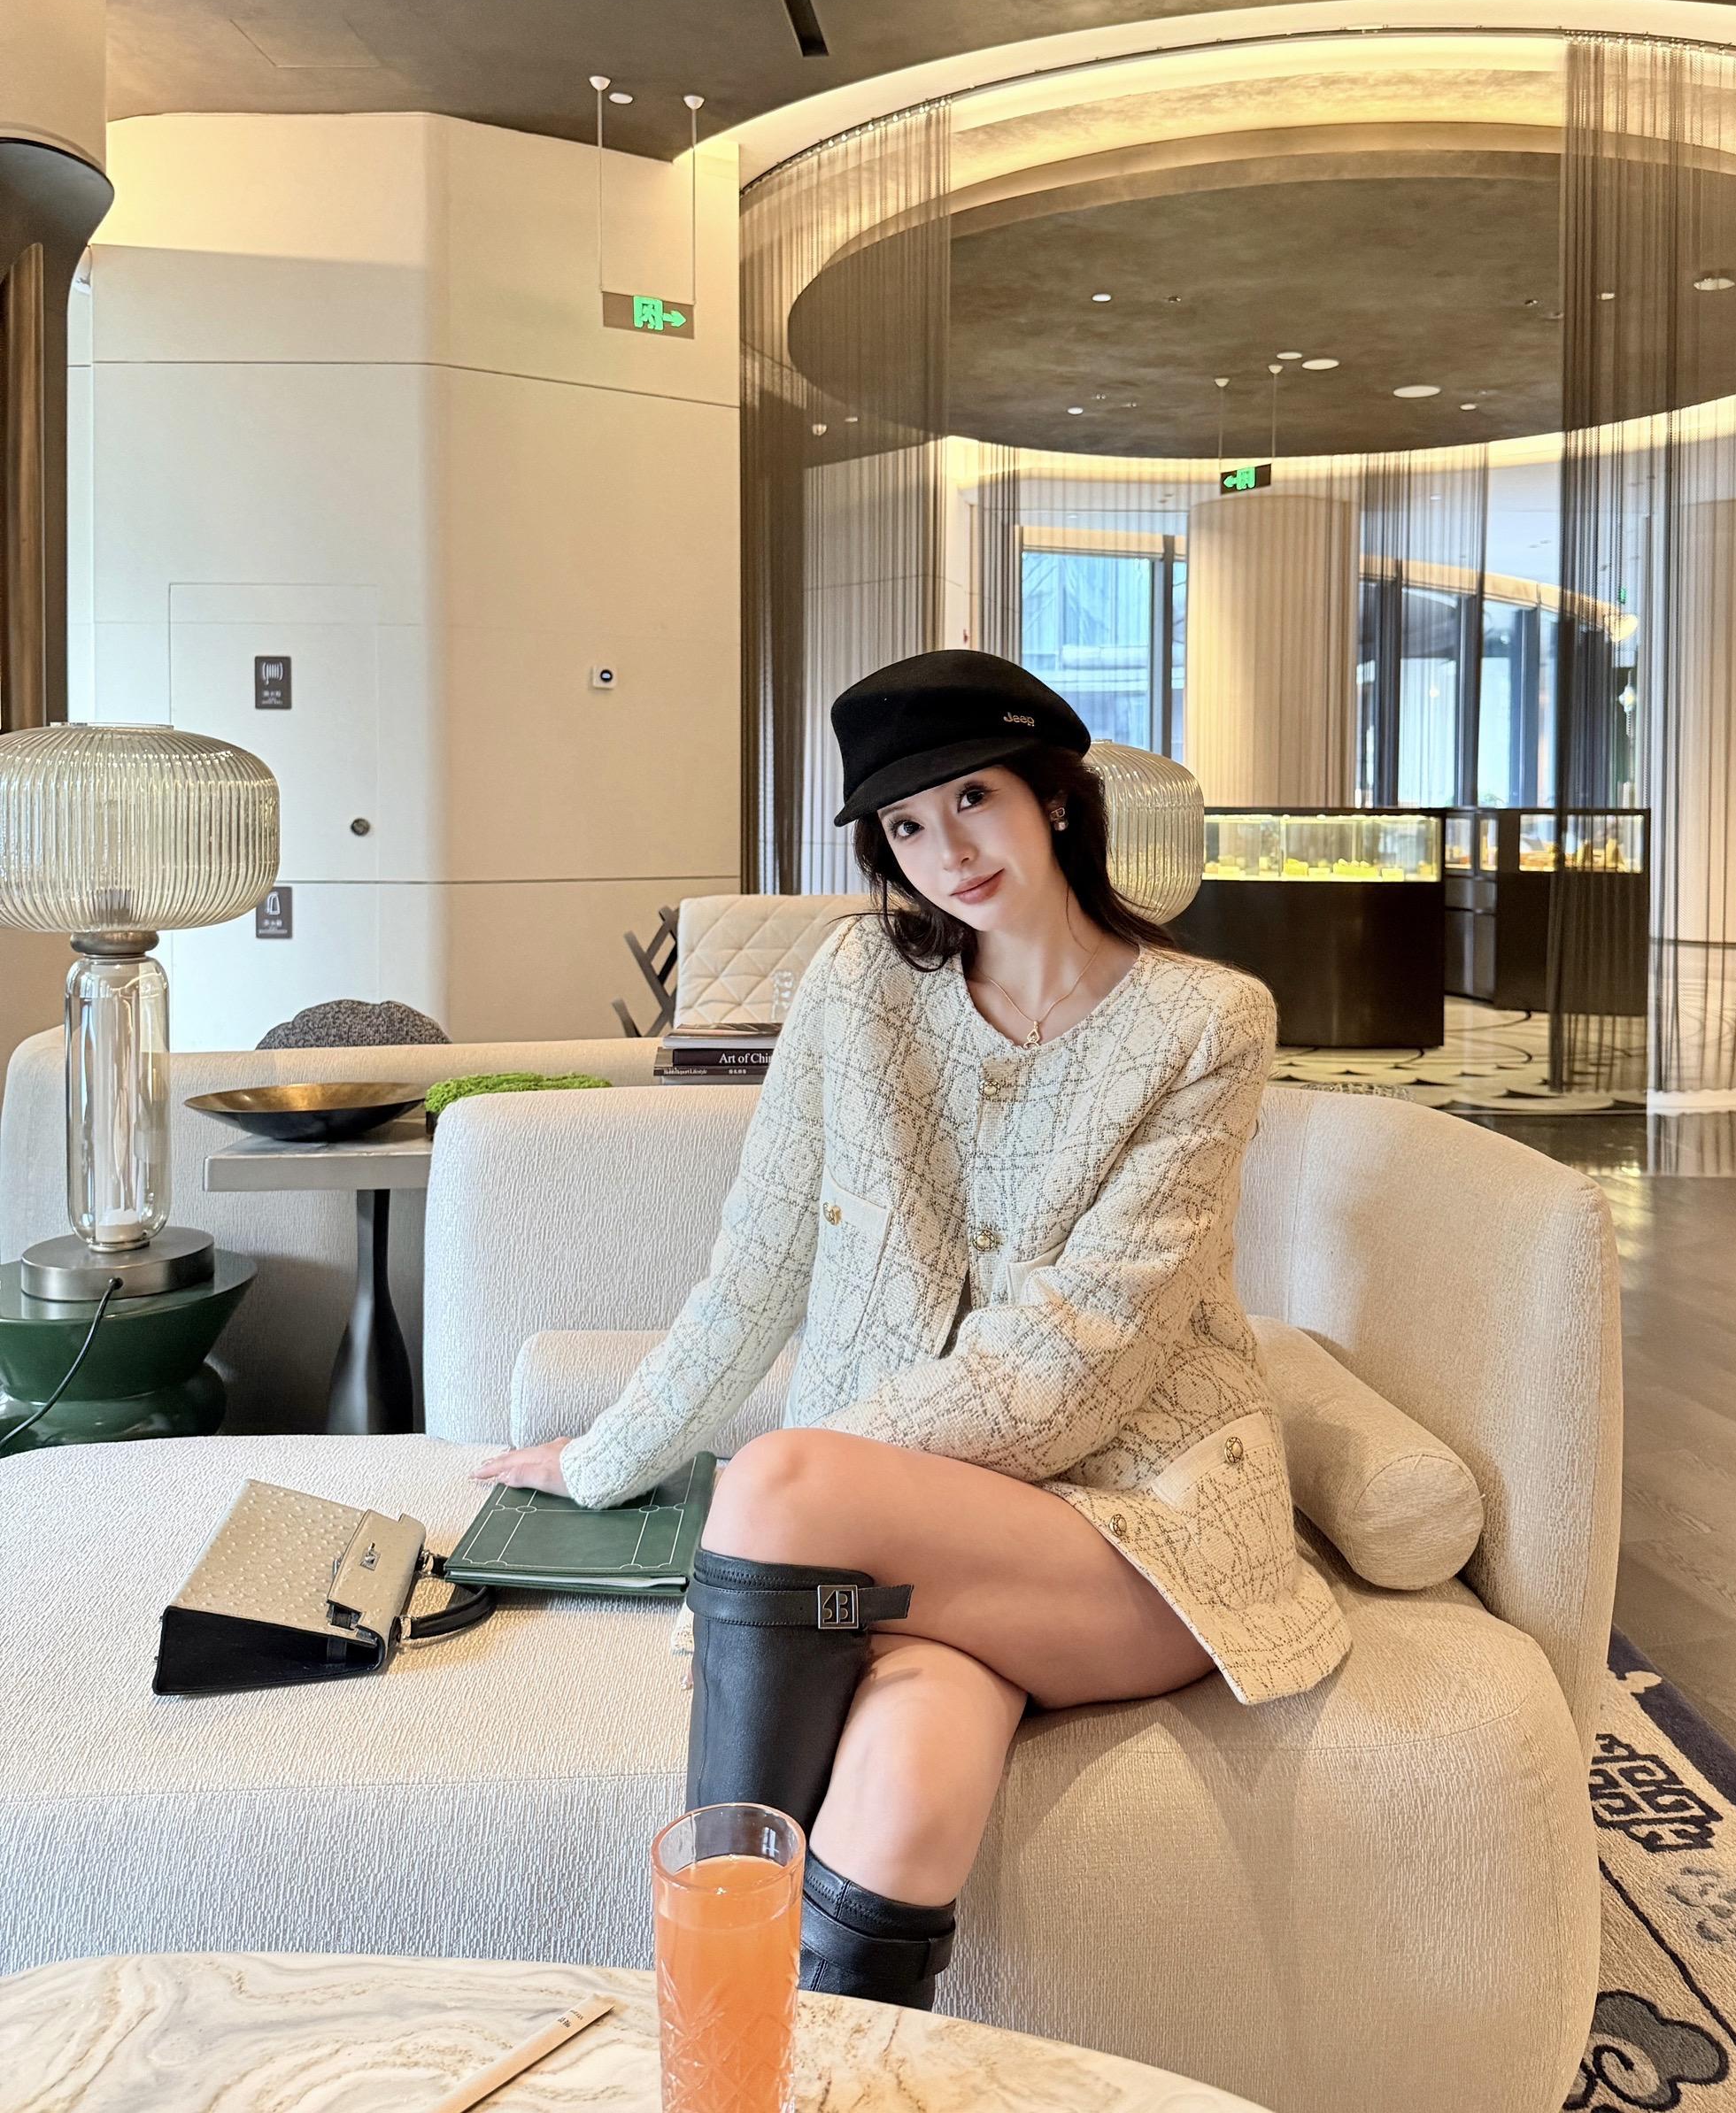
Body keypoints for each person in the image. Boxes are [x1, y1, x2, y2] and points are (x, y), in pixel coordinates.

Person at [474, 651, 1349, 2007]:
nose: (949, 851)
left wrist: (813, 1488)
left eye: (974, 799)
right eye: (907, 824)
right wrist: (603, 1458)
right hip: (917, 1548)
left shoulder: (1207, 1023)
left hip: (1133, 1533)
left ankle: (696, 2033)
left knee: (783, 1482)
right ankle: (782, 2067)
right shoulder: (858, 984)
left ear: (1056, 796)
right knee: (907, 1801)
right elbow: (757, 1264)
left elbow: (1073, 1371)